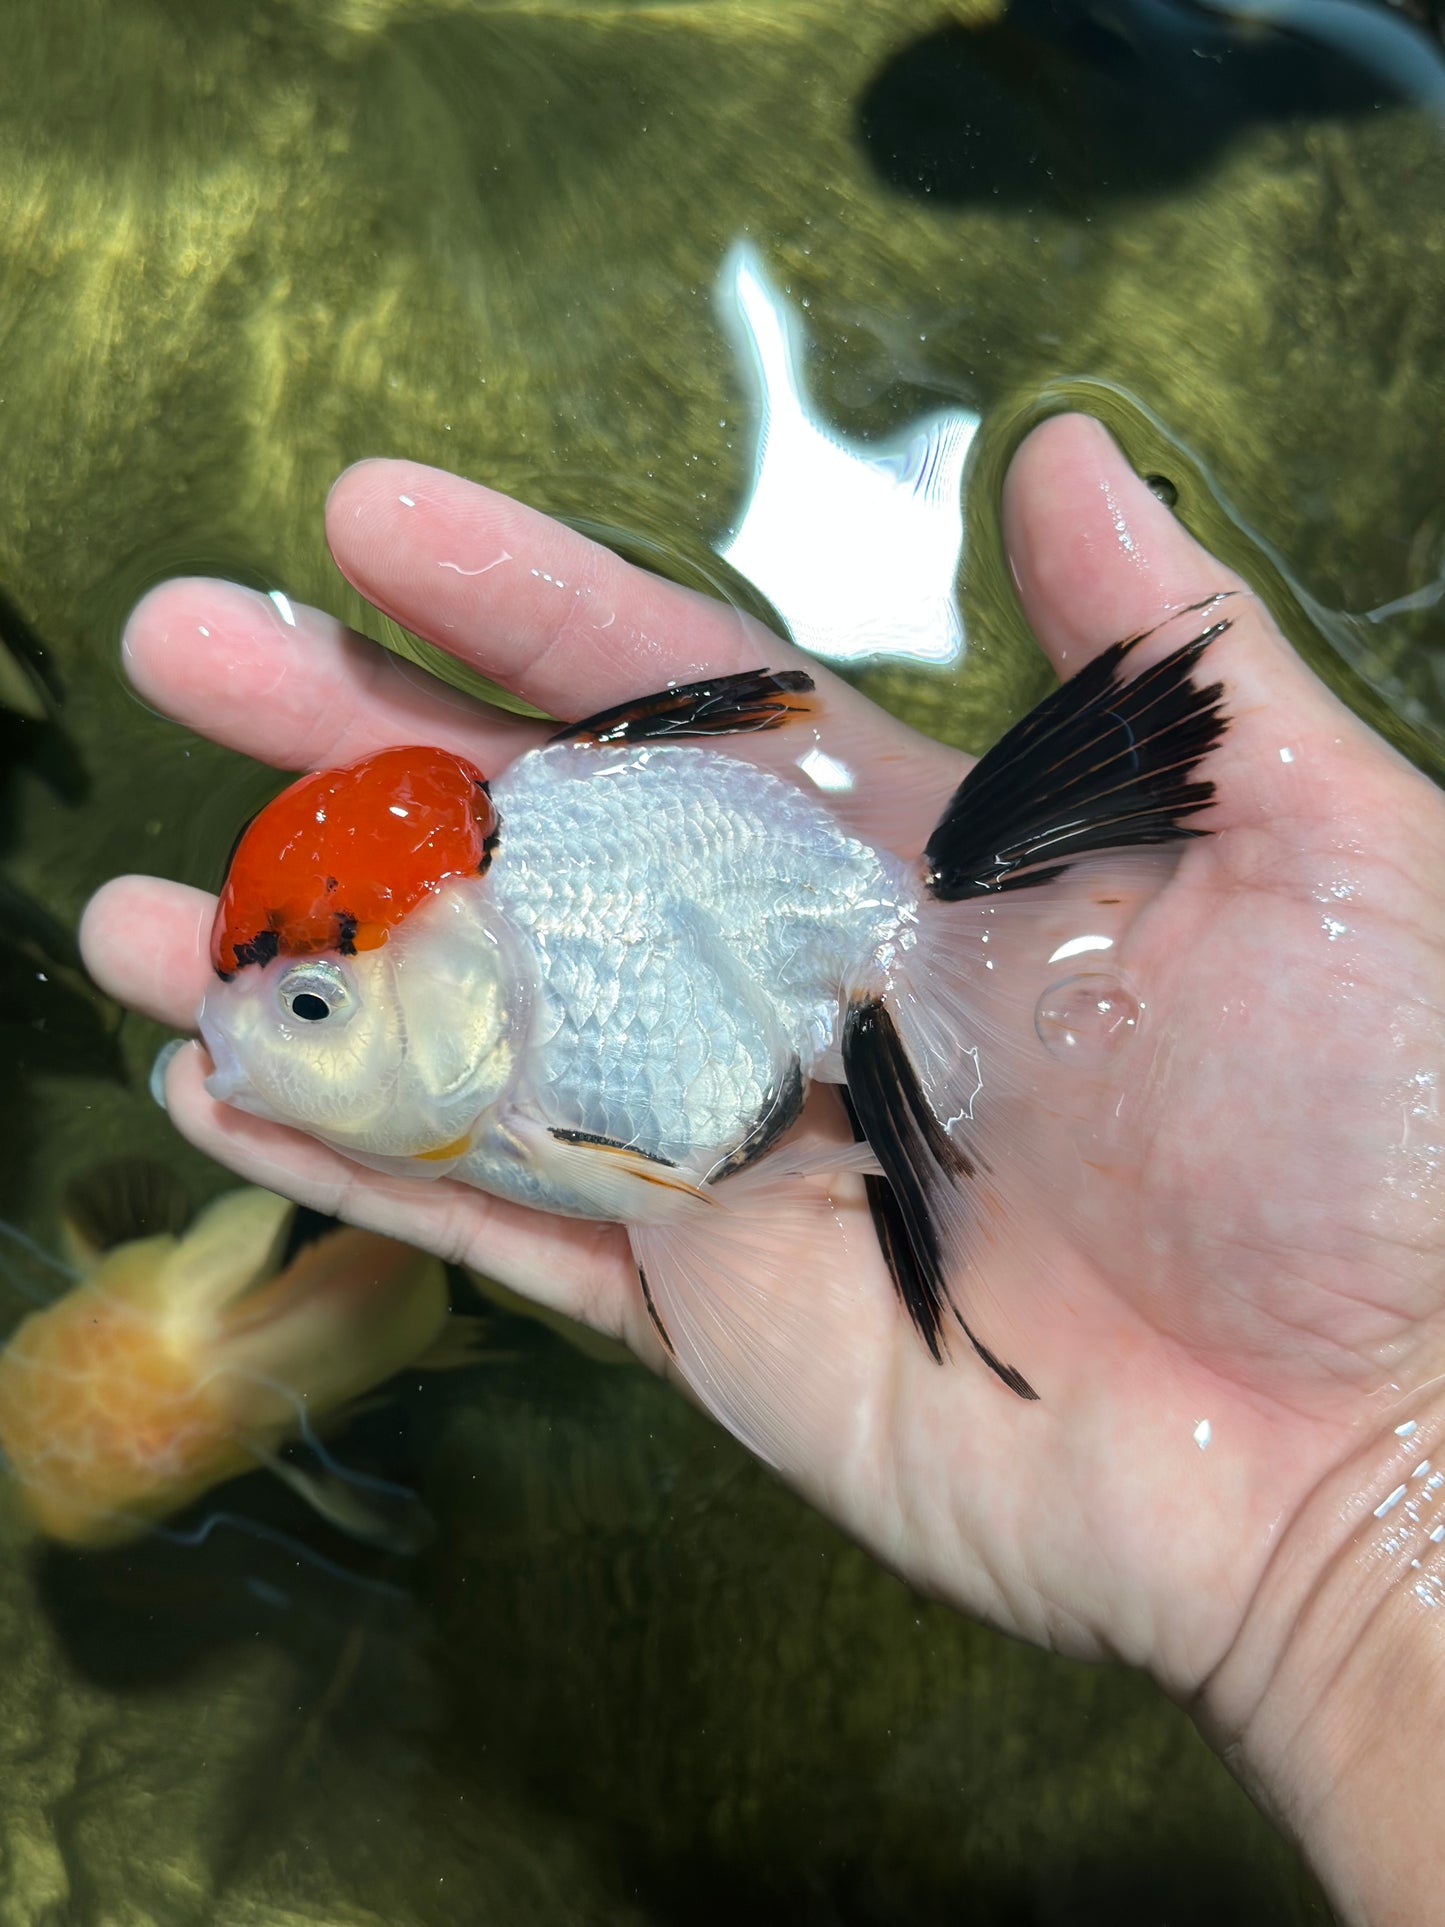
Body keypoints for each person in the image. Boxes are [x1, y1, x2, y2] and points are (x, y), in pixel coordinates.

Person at [81, 415, 1445, 1925]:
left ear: (445, 984)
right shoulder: (499, 978)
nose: (265, 1044)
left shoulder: (552, 1002)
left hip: (798, 975)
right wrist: (1357, 1536)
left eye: (316, 1011)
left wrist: (1382, 1481)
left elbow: (669, 1207)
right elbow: (671, 1212)